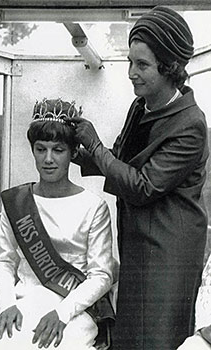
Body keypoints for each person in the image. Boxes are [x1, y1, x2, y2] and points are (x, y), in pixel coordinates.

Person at [69, 6, 209, 350]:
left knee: (157, 340)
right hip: (138, 242)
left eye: (142, 65)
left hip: (169, 252)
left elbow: (143, 186)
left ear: (170, 68)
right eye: (130, 62)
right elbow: (120, 162)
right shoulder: (141, 104)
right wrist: (77, 155)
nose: (132, 73)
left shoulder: (191, 125)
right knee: (132, 337)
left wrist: (95, 145)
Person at [0, 98, 114, 350]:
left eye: (58, 150)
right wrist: (7, 303)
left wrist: (63, 313)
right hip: (23, 302)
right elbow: (3, 260)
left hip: (74, 309)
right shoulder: (17, 201)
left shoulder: (93, 206)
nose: (48, 159)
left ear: (73, 152)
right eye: (41, 149)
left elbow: (101, 275)